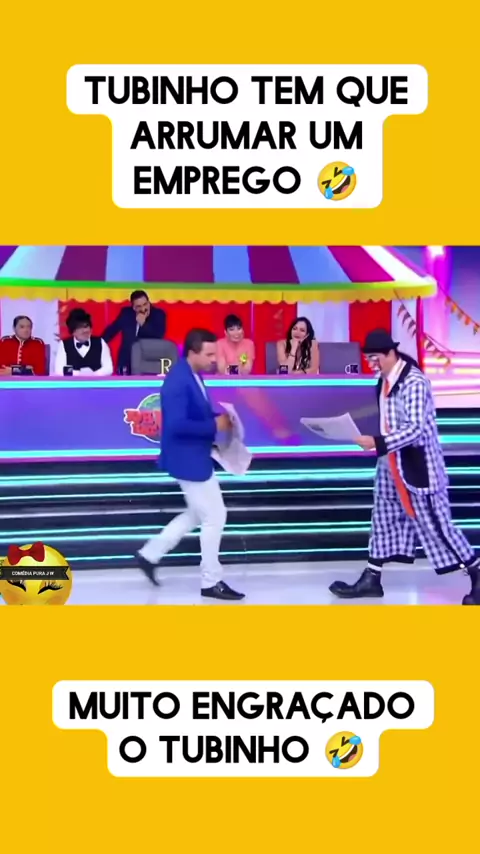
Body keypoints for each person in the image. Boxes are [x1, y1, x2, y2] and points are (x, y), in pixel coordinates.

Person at [329, 328, 480, 605]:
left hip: (417, 466)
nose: (371, 364)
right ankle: (372, 578)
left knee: (438, 525)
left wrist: (377, 442)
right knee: (382, 519)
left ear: (391, 353)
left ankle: (477, 572)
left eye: (375, 358)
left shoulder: (414, 382)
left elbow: (415, 429)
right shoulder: (382, 380)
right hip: (389, 463)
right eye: (368, 359)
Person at [136, 328, 245, 601]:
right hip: (187, 459)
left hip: (195, 455)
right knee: (215, 516)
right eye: (209, 354)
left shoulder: (194, 374)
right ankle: (211, 581)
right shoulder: (177, 381)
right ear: (192, 352)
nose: (214, 359)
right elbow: (176, 425)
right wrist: (215, 425)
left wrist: (220, 419)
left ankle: (149, 554)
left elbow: (197, 414)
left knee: (197, 514)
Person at [102, 290, 166, 374]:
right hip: (126, 361)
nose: (143, 309)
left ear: (149, 302)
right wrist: (97, 344)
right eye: (139, 306)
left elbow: (158, 335)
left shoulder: (158, 314)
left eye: (145, 304)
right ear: (133, 307)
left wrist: (143, 324)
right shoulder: (126, 314)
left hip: (147, 362)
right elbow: (111, 331)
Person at [54, 308, 114, 376]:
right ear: (73, 331)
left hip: (96, 382)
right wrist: (79, 374)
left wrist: (93, 375)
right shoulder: (64, 345)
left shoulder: (100, 342)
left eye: (86, 326)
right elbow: (59, 370)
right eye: (80, 327)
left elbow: (109, 368)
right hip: (73, 382)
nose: (85, 330)